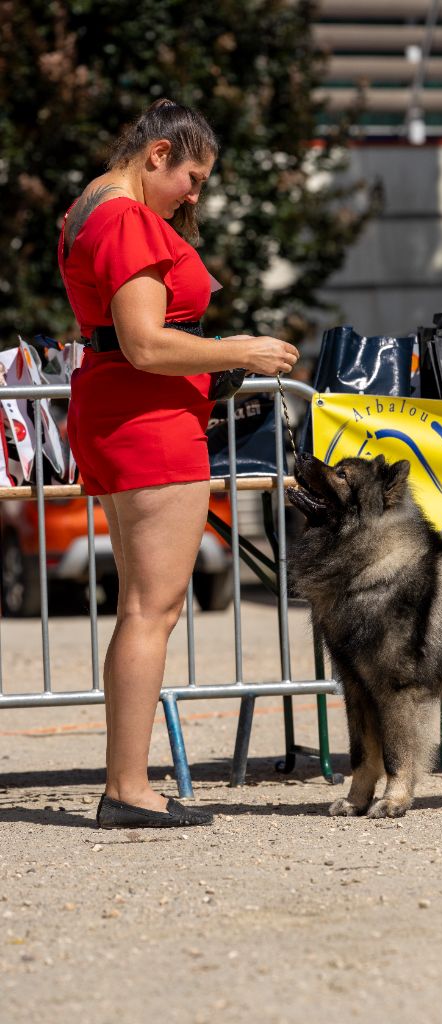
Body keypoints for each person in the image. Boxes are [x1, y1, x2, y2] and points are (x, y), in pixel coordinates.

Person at [58, 99, 299, 829]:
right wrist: (241, 351)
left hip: (122, 413)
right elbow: (145, 345)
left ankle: (125, 781)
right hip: (149, 422)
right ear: (157, 153)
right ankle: (128, 788)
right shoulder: (127, 218)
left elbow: (126, 338)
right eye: (192, 176)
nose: (194, 194)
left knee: (141, 609)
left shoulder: (87, 209)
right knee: (151, 611)